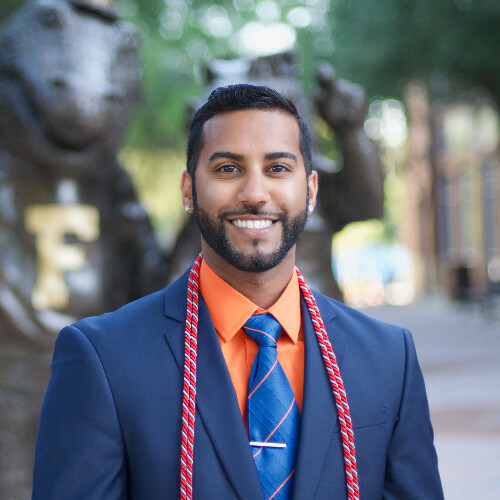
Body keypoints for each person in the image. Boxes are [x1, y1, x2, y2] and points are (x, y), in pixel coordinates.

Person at [32, 84, 443, 499]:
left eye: (278, 168)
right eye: (228, 168)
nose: (254, 194)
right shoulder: (102, 359)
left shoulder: (389, 358)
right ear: (189, 189)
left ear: (312, 189)